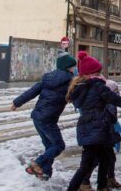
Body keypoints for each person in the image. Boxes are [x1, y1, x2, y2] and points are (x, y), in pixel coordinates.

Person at [66, 51, 121, 191]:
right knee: (89, 164)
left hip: (86, 128)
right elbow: (115, 99)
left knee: (103, 159)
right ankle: (89, 187)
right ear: (92, 74)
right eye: (98, 72)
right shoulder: (97, 86)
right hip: (97, 128)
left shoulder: (80, 87)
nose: (100, 75)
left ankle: (102, 186)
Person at [11, 50, 77, 180]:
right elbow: (77, 97)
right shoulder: (70, 81)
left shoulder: (48, 78)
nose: (74, 69)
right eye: (73, 66)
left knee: (49, 146)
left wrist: (16, 103)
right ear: (68, 67)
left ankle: (45, 173)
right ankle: (37, 163)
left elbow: (31, 92)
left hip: (37, 117)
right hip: (48, 120)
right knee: (58, 146)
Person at [79, 79, 121, 191]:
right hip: (100, 135)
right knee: (96, 160)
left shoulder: (109, 100)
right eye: (115, 90)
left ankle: (109, 179)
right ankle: (85, 182)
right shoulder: (104, 101)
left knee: (110, 158)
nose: (117, 92)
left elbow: (113, 120)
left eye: (117, 90)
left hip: (106, 133)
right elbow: (107, 120)